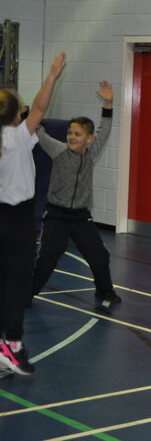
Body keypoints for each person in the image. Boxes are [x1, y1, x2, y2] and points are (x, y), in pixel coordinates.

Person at [0, 52, 66, 375]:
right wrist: (51, 76)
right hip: (17, 219)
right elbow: (40, 108)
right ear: (17, 114)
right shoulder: (18, 136)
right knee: (17, 284)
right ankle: (11, 345)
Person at [31, 81, 122, 308]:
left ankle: (105, 291)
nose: (71, 137)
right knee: (48, 257)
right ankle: (27, 294)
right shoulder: (58, 150)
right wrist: (31, 114)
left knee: (99, 255)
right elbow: (39, 132)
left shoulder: (91, 153)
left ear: (88, 138)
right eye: (70, 133)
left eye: (78, 134)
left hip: (81, 216)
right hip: (56, 215)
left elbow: (104, 129)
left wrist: (108, 104)